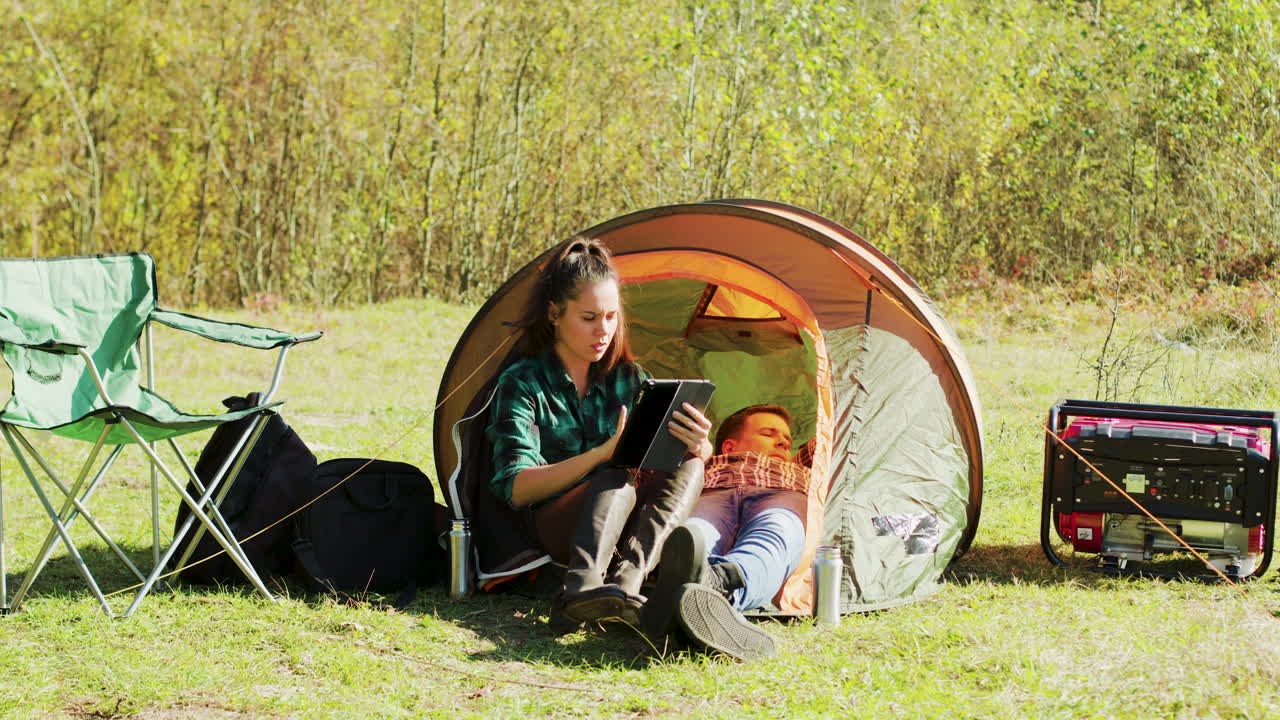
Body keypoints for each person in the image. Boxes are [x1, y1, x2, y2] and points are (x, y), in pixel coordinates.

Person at [485, 236, 713, 626]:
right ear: (555, 314)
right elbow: (517, 489)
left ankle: (629, 583)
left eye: (610, 317)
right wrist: (601, 454)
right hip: (553, 526)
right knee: (616, 473)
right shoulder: (523, 382)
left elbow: (668, 460)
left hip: (628, 524)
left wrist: (698, 447)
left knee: (691, 466)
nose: (602, 330)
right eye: (588, 318)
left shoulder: (629, 379)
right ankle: (582, 587)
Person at [644, 404, 810, 660]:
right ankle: (695, 593)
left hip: (781, 495)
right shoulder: (705, 462)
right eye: (769, 434)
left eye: (787, 439)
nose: (782, 443)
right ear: (729, 447)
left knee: (774, 532)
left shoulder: (800, 467)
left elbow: (839, 433)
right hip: (714, 492)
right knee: (696, 533)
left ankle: (718, 589)